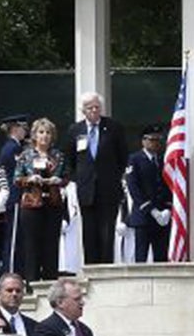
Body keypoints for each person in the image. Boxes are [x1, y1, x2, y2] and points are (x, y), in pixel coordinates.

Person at [66, 92, 125, 267]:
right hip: (86, 191)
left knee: (106, 233)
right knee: (89, 233)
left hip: (108, 190)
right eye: (90, 108)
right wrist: (81, 179)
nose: (94, 110)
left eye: (97, 107)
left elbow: (122, 157)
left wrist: (112, 177)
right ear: (83, 110)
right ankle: (91, 269)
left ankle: (106, 269)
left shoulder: (113, 128)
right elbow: (71, 161)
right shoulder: (75, 130)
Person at [12, 117, 68, 280]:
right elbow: (16, 178)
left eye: (48, 133)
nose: (44, 136)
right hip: (31, 204)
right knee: (32, 246)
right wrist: (29, 179)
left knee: (51, 245)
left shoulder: (58, 155)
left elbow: (66, 176)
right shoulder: (25, 155)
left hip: (53, 203)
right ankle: (32, 283)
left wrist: (59, 181)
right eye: (41, 132)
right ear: (34, 135)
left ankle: (51, 282)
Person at [124, 125, 172, 263]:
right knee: (141, 256)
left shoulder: (163, 160)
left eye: (158, 140)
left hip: (162, 216)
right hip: (144, 215)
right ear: (143, 141)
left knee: (161, 256)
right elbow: (134, 188)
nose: (156, 143)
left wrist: (168, 208)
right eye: (152, 140)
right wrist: (151, 210)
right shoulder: (134, 159)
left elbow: (168, 185)